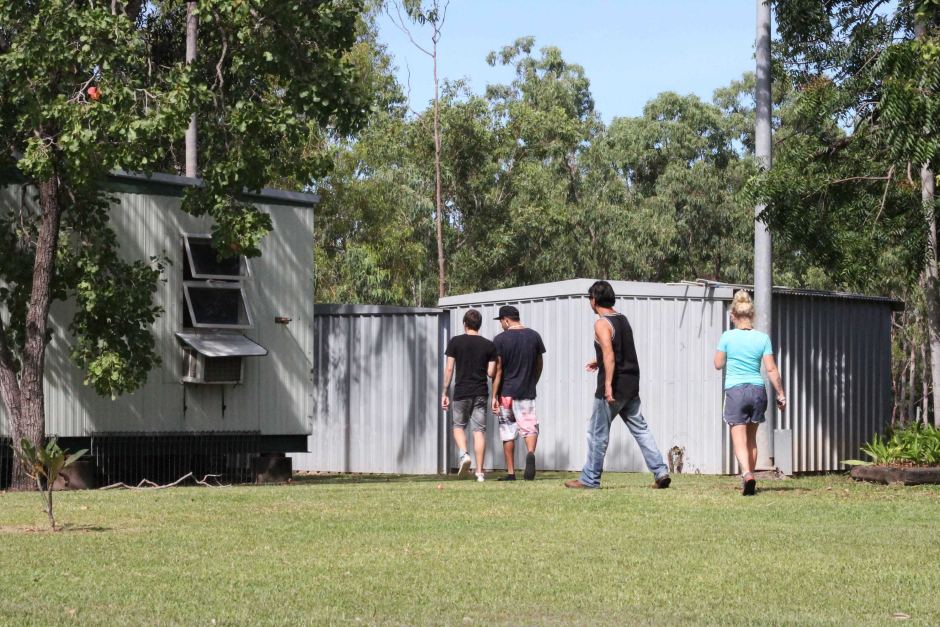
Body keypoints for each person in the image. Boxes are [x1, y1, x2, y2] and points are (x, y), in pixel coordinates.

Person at [565, 281, 671, 490]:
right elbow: (619, 350)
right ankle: (660, 472)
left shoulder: (602, 323)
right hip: (631, 385)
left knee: (597, 433)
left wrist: (607, 386)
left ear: (594, 300)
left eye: (589, 298)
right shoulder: (622, 320)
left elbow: (610, 355)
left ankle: (590, 479)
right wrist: (599, 361)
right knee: (641, 430)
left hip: (614, 387)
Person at [713, 290, 786, 496]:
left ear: (733, 316)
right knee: (752, 439)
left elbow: (718, 364)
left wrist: (728, 353)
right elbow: (771, 369)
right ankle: (750, 475)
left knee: (739, 439)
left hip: (736, 391)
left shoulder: (727, 336)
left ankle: (746, 474)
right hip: (757, 391)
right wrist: (781, 394)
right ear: (751, 315)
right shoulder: (762, 338)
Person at [491, 305, 545, 481]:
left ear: (506, 320)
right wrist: (533, 382)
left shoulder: (499, 340)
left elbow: (498, 371)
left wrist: (493, 396)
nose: (501, 325)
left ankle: (511, 472)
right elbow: (539, 365)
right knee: (530, 428)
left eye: (501, 321)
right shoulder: (534, 336)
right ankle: (530, 453)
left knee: (508, 432)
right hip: (527, 392)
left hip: (506, 393)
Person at [442, 309, 497, 481]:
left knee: (458, 426)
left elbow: (449, 369)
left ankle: (464, 454)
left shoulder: (455, 342)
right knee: (479, 431)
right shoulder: (489, 345)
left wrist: (444, 392)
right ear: (479, 325)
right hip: (480, 392)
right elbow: (491, 372)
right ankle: (480, 472)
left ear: (465, 324)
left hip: (462, 392)